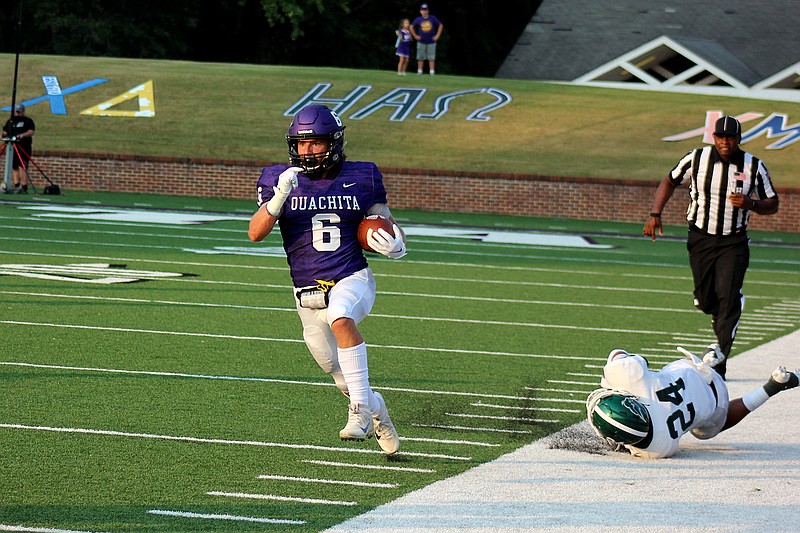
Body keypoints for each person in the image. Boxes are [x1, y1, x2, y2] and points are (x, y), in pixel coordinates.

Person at [248, 104, 407, 455]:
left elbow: (388, 223)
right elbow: (255, 233)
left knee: (341, 316)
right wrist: (278, 198)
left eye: (315, 143)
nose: (307, 150)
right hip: (306, 291)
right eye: (301, 144)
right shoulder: (278, 178)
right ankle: (376, 408)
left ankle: (361, 412)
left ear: (333, 142)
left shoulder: (363, 175)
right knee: (337, 372)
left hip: (352, 276)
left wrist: (397, 245)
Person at [643, 116, 779, 379]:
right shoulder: (696, 158)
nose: (725, 142)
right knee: (706, 300)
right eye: (720, 137)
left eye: (730, 137)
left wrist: (750, 204)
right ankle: (721, 320)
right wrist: (655, 213)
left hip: (734, 240)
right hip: (701, 237)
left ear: (738, 139)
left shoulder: (753, 166)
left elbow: (772, 203)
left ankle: (719, 357)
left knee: (728, 297)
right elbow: (670, 180)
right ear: (713, 138)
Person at [587, 347, 800, 459]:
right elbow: (618, 353)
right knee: (614, 377)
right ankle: (709, 362)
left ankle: (773, 386)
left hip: (713, 402)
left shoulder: (657, 449)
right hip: (687, 368)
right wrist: (619, 371)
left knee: (706, 428)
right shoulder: (631, 381)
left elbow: (632, 441)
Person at [2, 103, 35, 194]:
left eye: (20, 112)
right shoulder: (11, 121)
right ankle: (16, 185)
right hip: (12, 147)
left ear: (23, 112)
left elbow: (31, 131)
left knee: (22, 165)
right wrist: (4, 134)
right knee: (14, 166)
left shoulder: (27, 121)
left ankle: (24, 186)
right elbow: (5, 130)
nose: (18, 113)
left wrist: (22, 135)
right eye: (17, 112)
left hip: (24, 146)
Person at [410, 3, 443, 75]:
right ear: (420, 11)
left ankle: (432, 72)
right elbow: (411, 27)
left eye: (425, 10)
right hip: (421, 41)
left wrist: (437, 36)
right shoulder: (418, 19)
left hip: (431, 41)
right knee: (420, 57)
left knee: (431, 58)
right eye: (422, 10)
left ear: (428, 11)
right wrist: (415, 36)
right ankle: (419, 71)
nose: (424, 12)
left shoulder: (432, 18)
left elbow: (440, 25)